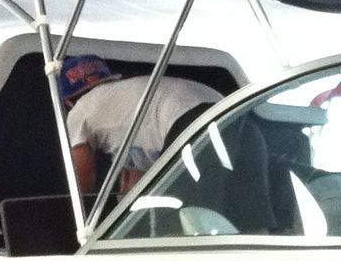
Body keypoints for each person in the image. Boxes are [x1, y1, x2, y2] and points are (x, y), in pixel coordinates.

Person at [59, 56, 223, 197]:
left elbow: (82, 178)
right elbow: (134, 191)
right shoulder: (127, 102)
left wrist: (76, 222)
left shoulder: (80, 109)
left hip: (183, 119)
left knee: (189, 203)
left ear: (67, 102)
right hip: (226, 106)